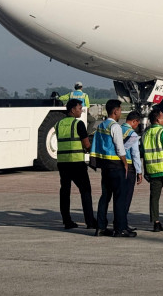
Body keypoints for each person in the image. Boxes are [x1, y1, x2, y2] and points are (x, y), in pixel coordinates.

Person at [90, 99, 132, 237]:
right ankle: (120, 229)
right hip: (116, 166)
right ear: (115, 111)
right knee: (119, 198)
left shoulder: (101, 126)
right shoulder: (115, 127)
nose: (120, 112)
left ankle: (100, 227)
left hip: (105, 167)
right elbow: (120, 148)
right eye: (120, 110)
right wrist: (125, 163)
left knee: (105, 197)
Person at [56, 99, 96, 230]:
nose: (81, 110)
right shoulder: (78, 124)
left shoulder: (58, 124)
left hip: (62, 162)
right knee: (85, 191)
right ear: (72, 110)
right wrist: (93, 152)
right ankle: (90, 221)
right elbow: (86, 144)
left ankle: (66, 221)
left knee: (65, 191)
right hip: (76, 162)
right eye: (79, 108)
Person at [121, 111, 143, 233]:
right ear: (134, 121)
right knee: (127, 196)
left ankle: (117, 221)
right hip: (128, 167)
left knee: (118, 196)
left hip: (115, 164)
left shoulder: (117, 129)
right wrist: (139, 171)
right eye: (137, 124)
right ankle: (123, 223)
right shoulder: (132, 134)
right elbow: (135, 154)